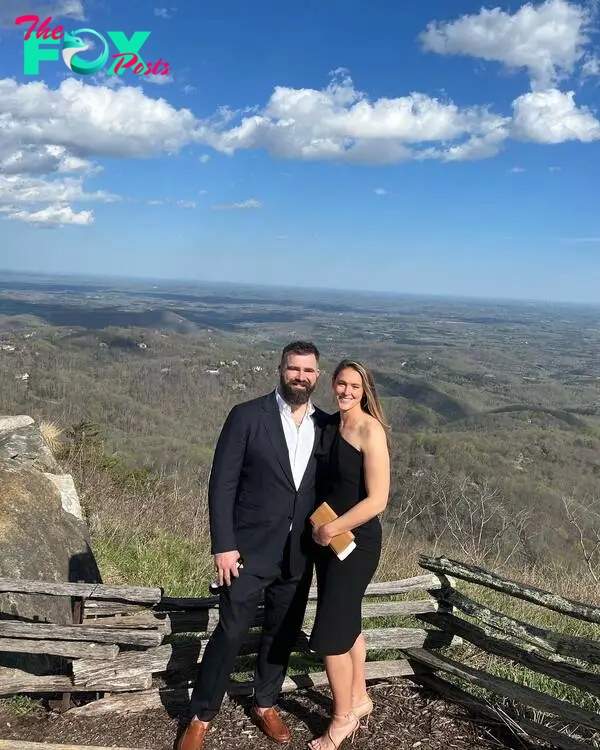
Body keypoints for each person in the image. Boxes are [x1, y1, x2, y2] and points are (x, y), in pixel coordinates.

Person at [177, 341, 329, 750]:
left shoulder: (325, 425)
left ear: (318, 376)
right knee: (230, 632)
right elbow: (222, 484)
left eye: (309, 371)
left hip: (298, 554)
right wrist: (223, 545)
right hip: (246, 552)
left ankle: (265, 702)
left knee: (281, 632)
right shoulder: (247, 416)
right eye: (294, 368)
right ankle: (201, 715)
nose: (301, 376)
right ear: (281, 369)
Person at [308, 359, 390, 750]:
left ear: (365, 390)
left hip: (354, 544)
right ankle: (358, 700)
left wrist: (332, 528)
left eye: (354, 386)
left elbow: (378, 500)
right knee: (348, 621)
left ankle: (340, 720)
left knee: (330, 635)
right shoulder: (330, 424)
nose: (345, 391)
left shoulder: (369, 430)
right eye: (341, 384)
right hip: (329, 541)